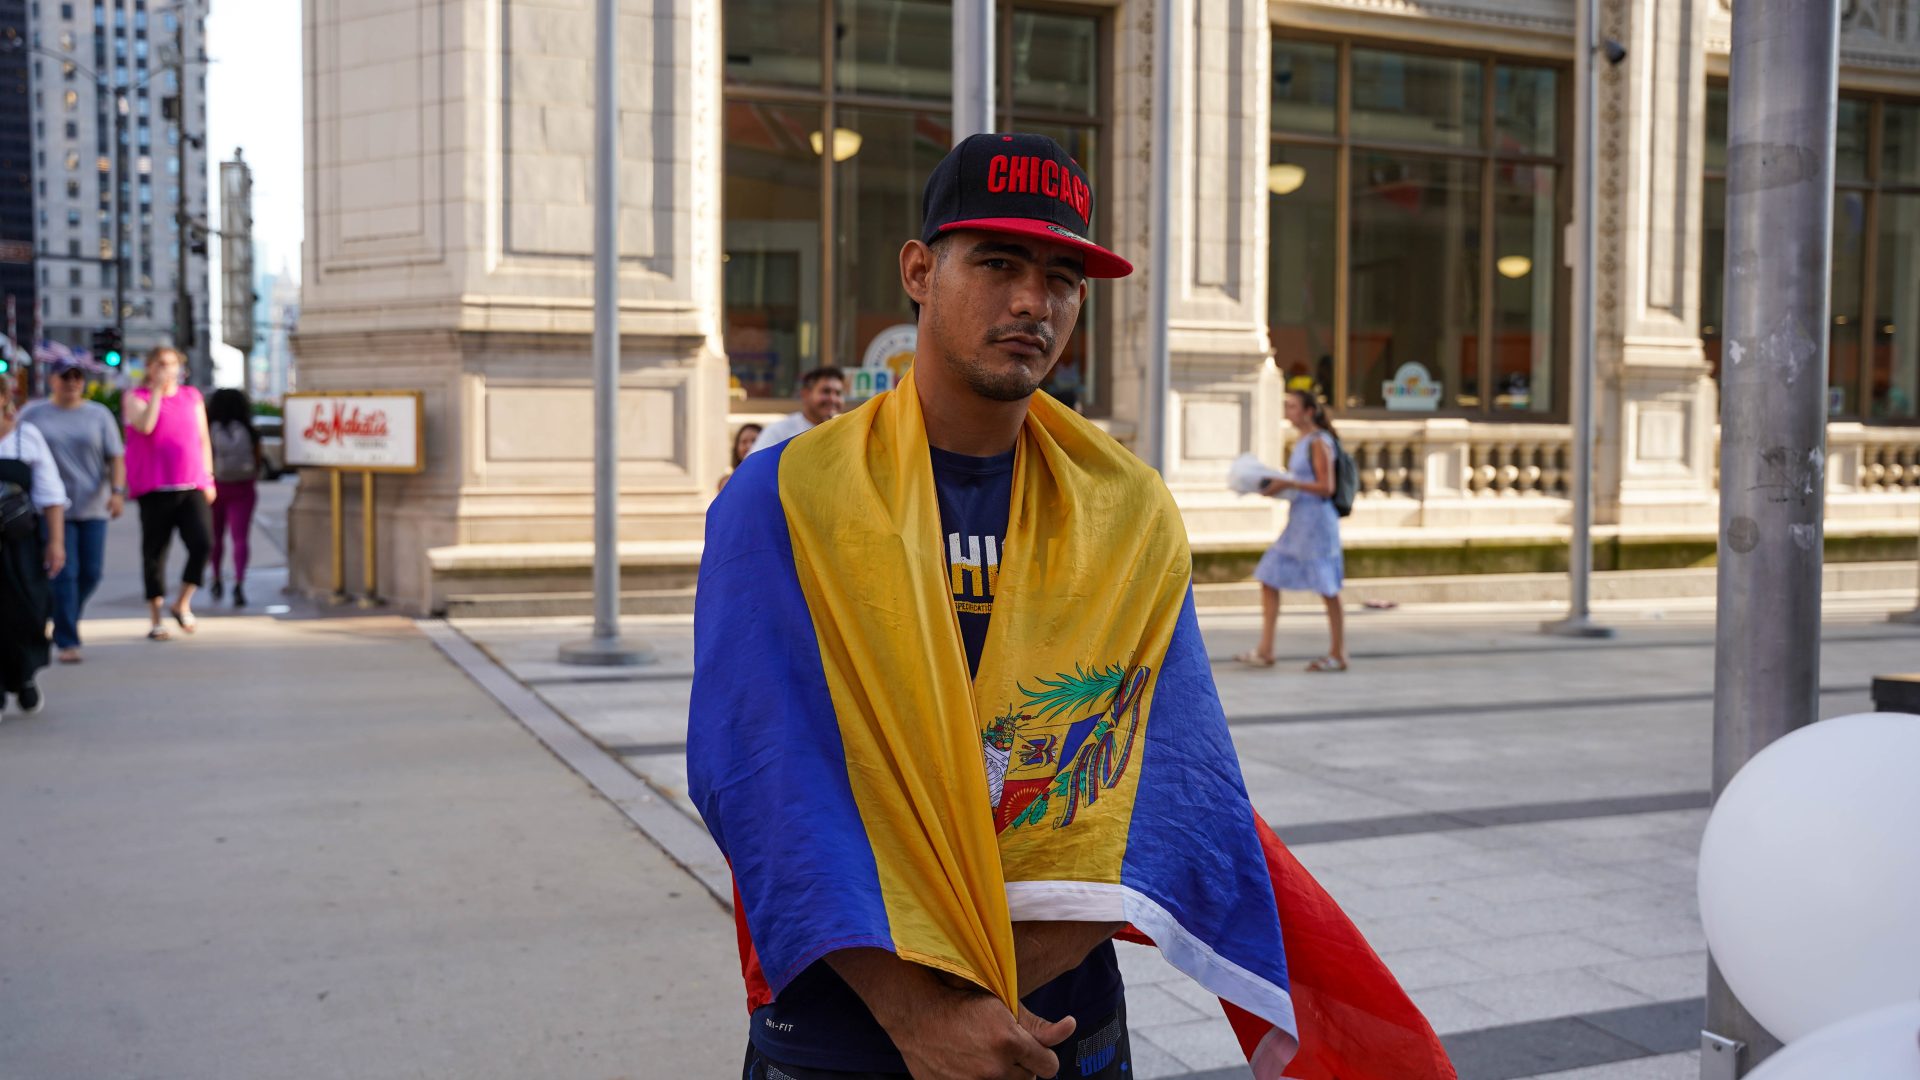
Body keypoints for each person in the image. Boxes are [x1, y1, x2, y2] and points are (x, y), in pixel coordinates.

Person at [689, 134, 1452, 1080]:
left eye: (1063, 276)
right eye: (999, 262)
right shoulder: (783, 498)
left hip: (1060, 1028)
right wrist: (922, 1015)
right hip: (854, 1023)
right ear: (920, 271)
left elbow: (1164, 786)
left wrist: (993, 998)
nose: (1031, 301)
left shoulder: (1126, 513)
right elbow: (762, 778)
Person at [20, 359, 125, 664]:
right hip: (51, 509)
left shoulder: (98, 415)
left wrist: (117, 492)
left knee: (90, 574)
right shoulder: (34, 414)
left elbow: (116, 457)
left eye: (77, 377)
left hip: (92, 506)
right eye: (65, 377)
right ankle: (67, 639)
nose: (72, 383)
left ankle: (59, 613)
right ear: (52, 380)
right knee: (64, 573)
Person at [1238, 389, 1347, 672]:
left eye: (1293, 406)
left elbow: (1327, 487)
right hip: (1300, 521)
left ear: (1309, 411)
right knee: (1269, 575)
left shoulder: (1318, 442)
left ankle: (1337, 653)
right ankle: (1265, 649)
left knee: (1328, 587)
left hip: (1317, 523)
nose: (1288, 411)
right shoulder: (1302, 441)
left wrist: (1288, 483)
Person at [122, 348, 215, 640]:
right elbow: (146, 426)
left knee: (203, 543)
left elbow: (203, 439)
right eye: (161, 364)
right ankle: (155, 618)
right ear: (149, 367)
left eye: (172, 364)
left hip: (191, 485)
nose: (167, 369)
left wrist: (209, 477)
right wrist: (157, 393)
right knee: (155, 553)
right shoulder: (136, 398)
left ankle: (182, 602)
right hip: (155, 488)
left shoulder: (192, 397)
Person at [0, 391, 67, 715]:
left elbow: (50, 494)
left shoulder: (26, 437)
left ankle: (24, 675)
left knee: (28, 612)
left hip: (20, 544)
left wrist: (56, 542)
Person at [206, 388, 262, 608]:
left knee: (216, 537)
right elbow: (257, 461)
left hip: (215, 488)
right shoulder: (250, 430)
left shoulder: (209, 429)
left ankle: (217, 578)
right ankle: (239, 582)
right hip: (243, 489)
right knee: (240, 538)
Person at [745, 367, 844, 455]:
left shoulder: (843, 434)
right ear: (805, 394)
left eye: (838, 393)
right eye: (826, 391)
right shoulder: (779, 432)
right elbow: (751, 470)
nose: (833, 399)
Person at [716, 422, 762, 494]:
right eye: (744, 442)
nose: (749, 446)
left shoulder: (775, 479)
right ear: (736, 448)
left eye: (754, 441)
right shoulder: (727, 483)